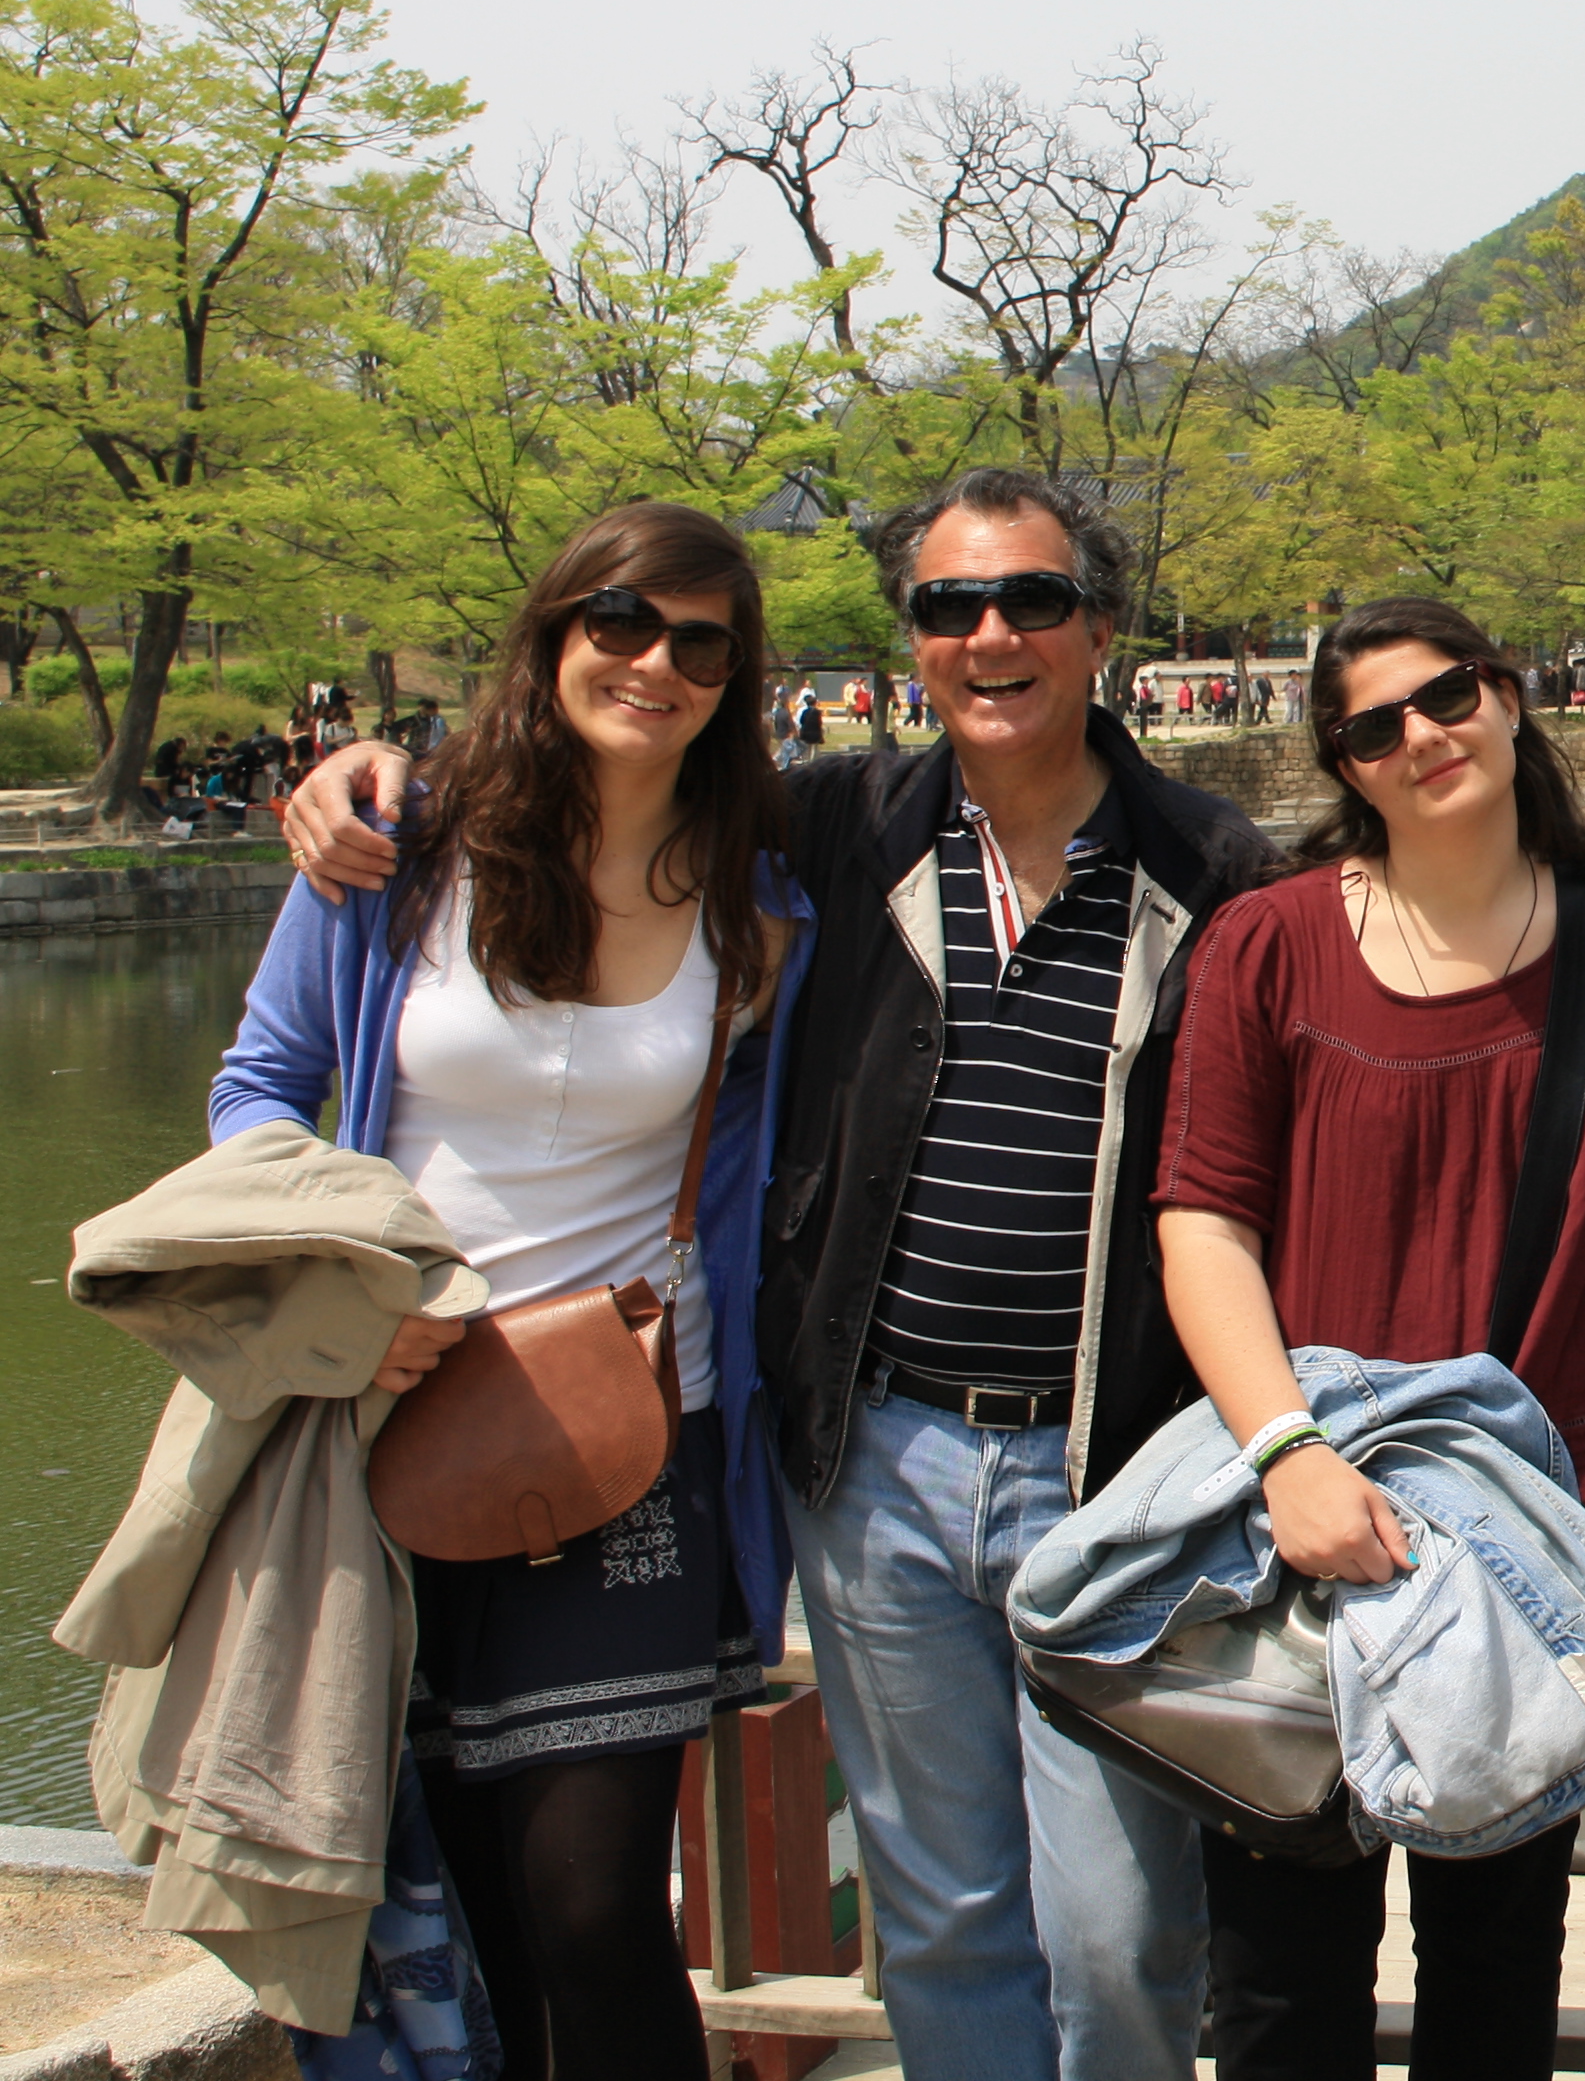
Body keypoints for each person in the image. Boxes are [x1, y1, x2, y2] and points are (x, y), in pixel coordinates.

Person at [285, 467, 1276, 2081]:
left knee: (1122, 1936)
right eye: (949, 607)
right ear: (910, 644)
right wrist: (370, 771)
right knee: (945, 1916)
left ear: (1102, 628)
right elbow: (596, 780)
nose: (991, 635)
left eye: (1031, 599)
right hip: (871, 1458)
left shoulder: (1217, 869)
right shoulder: (833, 827)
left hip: (1120, 1467)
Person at [222, 502, 811, 2080]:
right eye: (621, 621)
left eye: (703, 642)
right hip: (378, 1417)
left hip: (631, 1429)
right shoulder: (396, 858)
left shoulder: (766, 897)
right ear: (553, 634)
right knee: (461, 1897)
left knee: (594, 1894)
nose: (657, 663)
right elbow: (259, 1092)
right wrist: (357, 1285)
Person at [1152, 595, 1585, 2080]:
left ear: (1511, 697)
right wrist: (1285, 1455)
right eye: (1373, 727)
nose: (1423, 737)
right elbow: (1202, 1219)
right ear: (1344, 765)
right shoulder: (1268, 945)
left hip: (1536, 1540)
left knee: (1494, 1974)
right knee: (1278, 1987)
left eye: (1448, 694)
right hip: (1309, 1529)